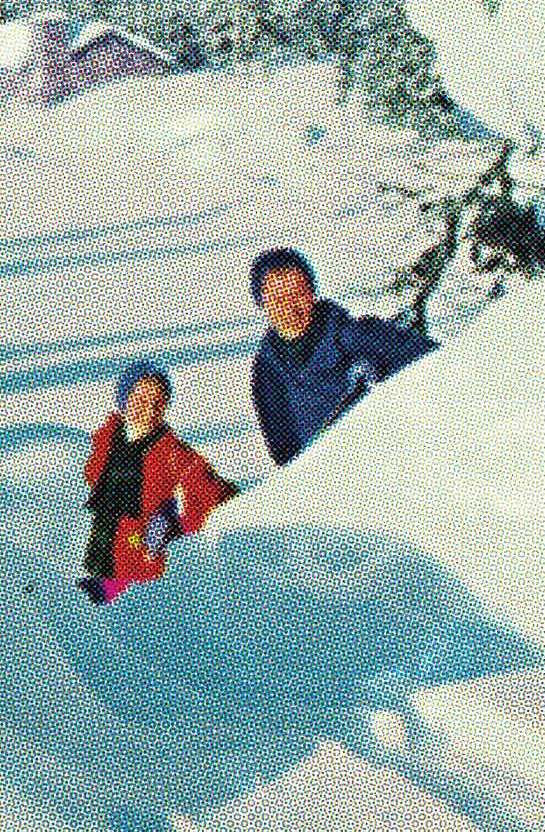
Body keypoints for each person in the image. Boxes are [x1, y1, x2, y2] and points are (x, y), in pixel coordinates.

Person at [248, 247, 437, 467]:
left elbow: (439, 364)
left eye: (298, 294)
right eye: (278, 300)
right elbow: (285, 451)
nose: (291, 309)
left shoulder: (358, 336)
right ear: (263, 306)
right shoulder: (268, 371)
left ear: (312, 293)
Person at [80, 361, 233, 603]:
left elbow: (217, 494)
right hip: (93, 554)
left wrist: (175, 520)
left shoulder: (172, 452)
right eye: (141, 399)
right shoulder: (103, 440)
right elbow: (78, 485)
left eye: (158, 402)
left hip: (137, 573)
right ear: (123, 399)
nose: (150, 409)